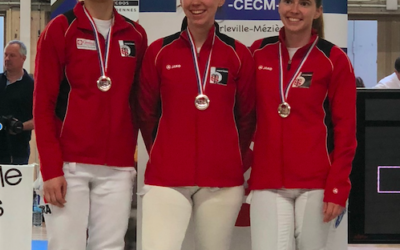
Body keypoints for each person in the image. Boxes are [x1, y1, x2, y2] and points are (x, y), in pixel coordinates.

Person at [138, 0, 256, 249]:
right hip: (166, 178)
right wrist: (164, 153)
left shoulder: (239, 54)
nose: (196, 3)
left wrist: (229, 157)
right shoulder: (159, 51)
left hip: (221, 181)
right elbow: (146, 113)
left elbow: (247, 118)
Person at [33, 0, 147, 249]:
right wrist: (51, 169)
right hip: (69, 166)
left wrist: (130, 154)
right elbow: (43, 105)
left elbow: (138, 102)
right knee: (65, 245)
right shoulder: (61, 28)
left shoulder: (135, 34)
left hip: (117, 167)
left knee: (110, 246)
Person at [249, 0, 357, 249]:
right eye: (288, 2)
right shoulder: (257, 52)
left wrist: (338, 186)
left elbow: (346, 130)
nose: (294, 10)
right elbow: (241, 114)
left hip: (317, 183)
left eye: (305, 3)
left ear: (318, 11)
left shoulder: (333, 59)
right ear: (278, 6)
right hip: (268, 182)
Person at [0, 40, 34, 165]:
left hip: (17, 152)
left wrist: (20, 126)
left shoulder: (32, 86)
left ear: (23, 58)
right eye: (5, 55)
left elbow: (40, 119)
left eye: (12, 55)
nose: (7, 59)